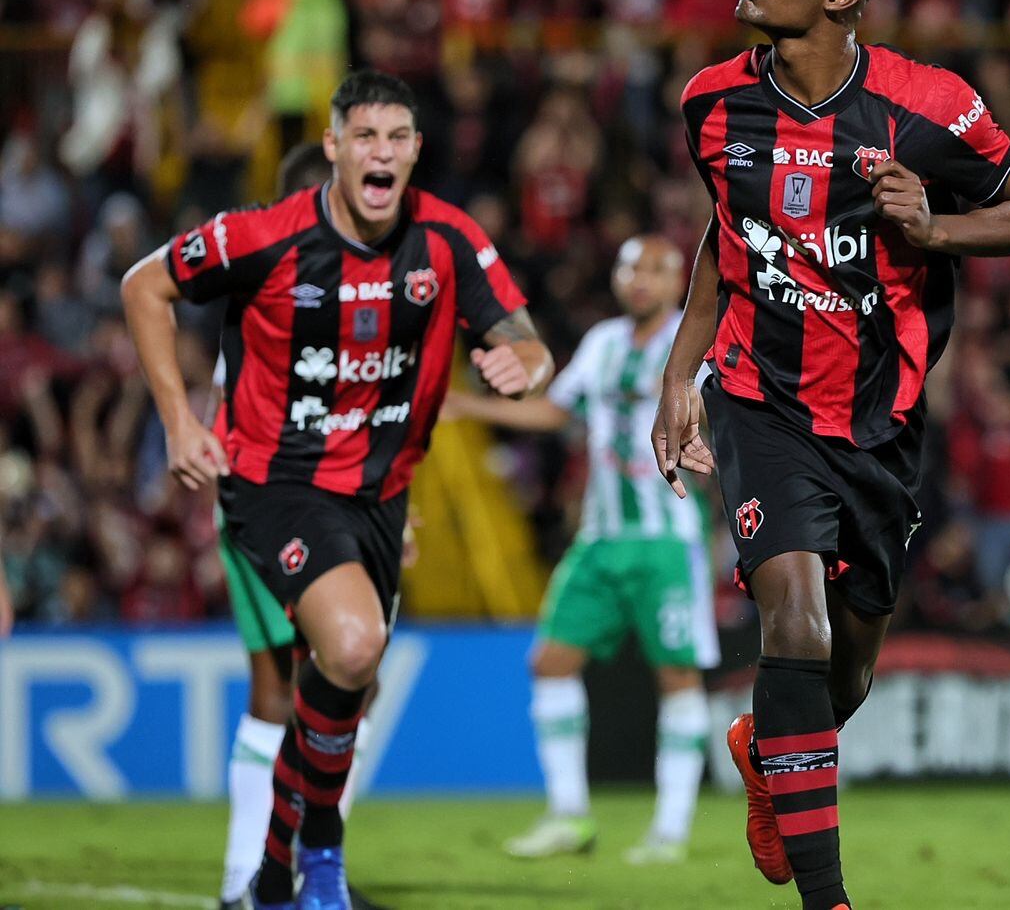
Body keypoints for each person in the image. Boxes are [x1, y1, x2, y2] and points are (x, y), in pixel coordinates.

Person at [653, 0, 1010, 910]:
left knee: (845, 680)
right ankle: (829, 902)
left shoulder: (931, 107)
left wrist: (935, 231)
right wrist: (677, 375)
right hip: (758, 399)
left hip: (879, 421)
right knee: (792, 619)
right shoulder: (711, 102)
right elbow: (725, 238)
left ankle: (768, 749)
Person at [122, 70, 552, 910]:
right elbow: (146, 285)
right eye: (365, 137)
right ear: (334, 148)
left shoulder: (449, 239)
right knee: (350, 647)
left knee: (347, 674)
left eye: (397, 138)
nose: (382, 153)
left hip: (382, 496)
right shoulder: (265, 236)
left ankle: (276, 873)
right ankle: (318, 855)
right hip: (273, 482)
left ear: (417, 150)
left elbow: (526, 339)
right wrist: (178, 421)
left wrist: (523, 363)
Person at [447, 236, 718, 866]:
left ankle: (671, 830)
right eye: (629, 266)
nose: (639, 278)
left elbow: (720, 418)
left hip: (666, 541)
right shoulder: (602, 343)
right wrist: (468, 405)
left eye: (655, 267)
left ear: (680, 280)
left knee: (676, 676)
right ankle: (569, 814)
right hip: (598, 540)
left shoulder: (696, 344)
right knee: (549, 663)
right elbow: (557, 413)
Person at [209, 142, 391, 910]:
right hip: (271, 510)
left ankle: (302, 868)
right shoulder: (273, 290)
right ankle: (250, 877)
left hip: (341, 510)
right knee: (280, 689)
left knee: (345, 685)